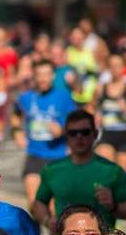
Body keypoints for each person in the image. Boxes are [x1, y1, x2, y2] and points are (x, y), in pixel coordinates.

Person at [31, 109, 126, 232]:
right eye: (73, 133)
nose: (79, 137)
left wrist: (114, 206)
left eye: (85, 132)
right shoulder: (52, 170)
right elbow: (39, 203)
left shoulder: (112, 170)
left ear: (95, 134)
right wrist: (47, 221)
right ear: (66, 136)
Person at [15, 59, 78, 203]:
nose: (43, 78)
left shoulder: (64, 97)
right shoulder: (26, 97)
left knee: (54, 206)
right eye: (40, 74)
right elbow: (15, 113)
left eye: (47, 74)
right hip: (34, 154)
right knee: (34, 202)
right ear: (34, 76)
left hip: (58, 155)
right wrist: (16, 132)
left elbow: (76, 124)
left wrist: (62, 130)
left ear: (53, 76)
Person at [94, 53, 126, 172]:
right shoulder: (101, 88)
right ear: (108, 68)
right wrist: (95, 117)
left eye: (118, 66)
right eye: (112, 66)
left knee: (120, 176)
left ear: (123, 67)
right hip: (106, 134)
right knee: (105, 171)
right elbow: (91, 107)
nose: (115, 69)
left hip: (123, 135)